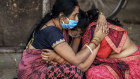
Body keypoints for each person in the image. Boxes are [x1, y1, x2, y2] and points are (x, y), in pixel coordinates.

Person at [17, 0, 108, 79]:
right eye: (74, 15)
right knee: (75, 72)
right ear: (62, 16)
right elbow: (76, 60)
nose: (76, 19)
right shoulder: (52, 32)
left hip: (44, 66)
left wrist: (101, 15)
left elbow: (86, 15)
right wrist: (96, 40)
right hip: (33, 73)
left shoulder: (59, 25)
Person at [43, 9, 140, 79]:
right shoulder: (80, 30)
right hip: (112, 60)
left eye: (68, 29)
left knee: (92, 73)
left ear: (78, 29)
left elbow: (83, 67)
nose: (66, 32)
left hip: (129, 63)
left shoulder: (95, 31)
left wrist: (57, 58)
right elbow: (72, 55)